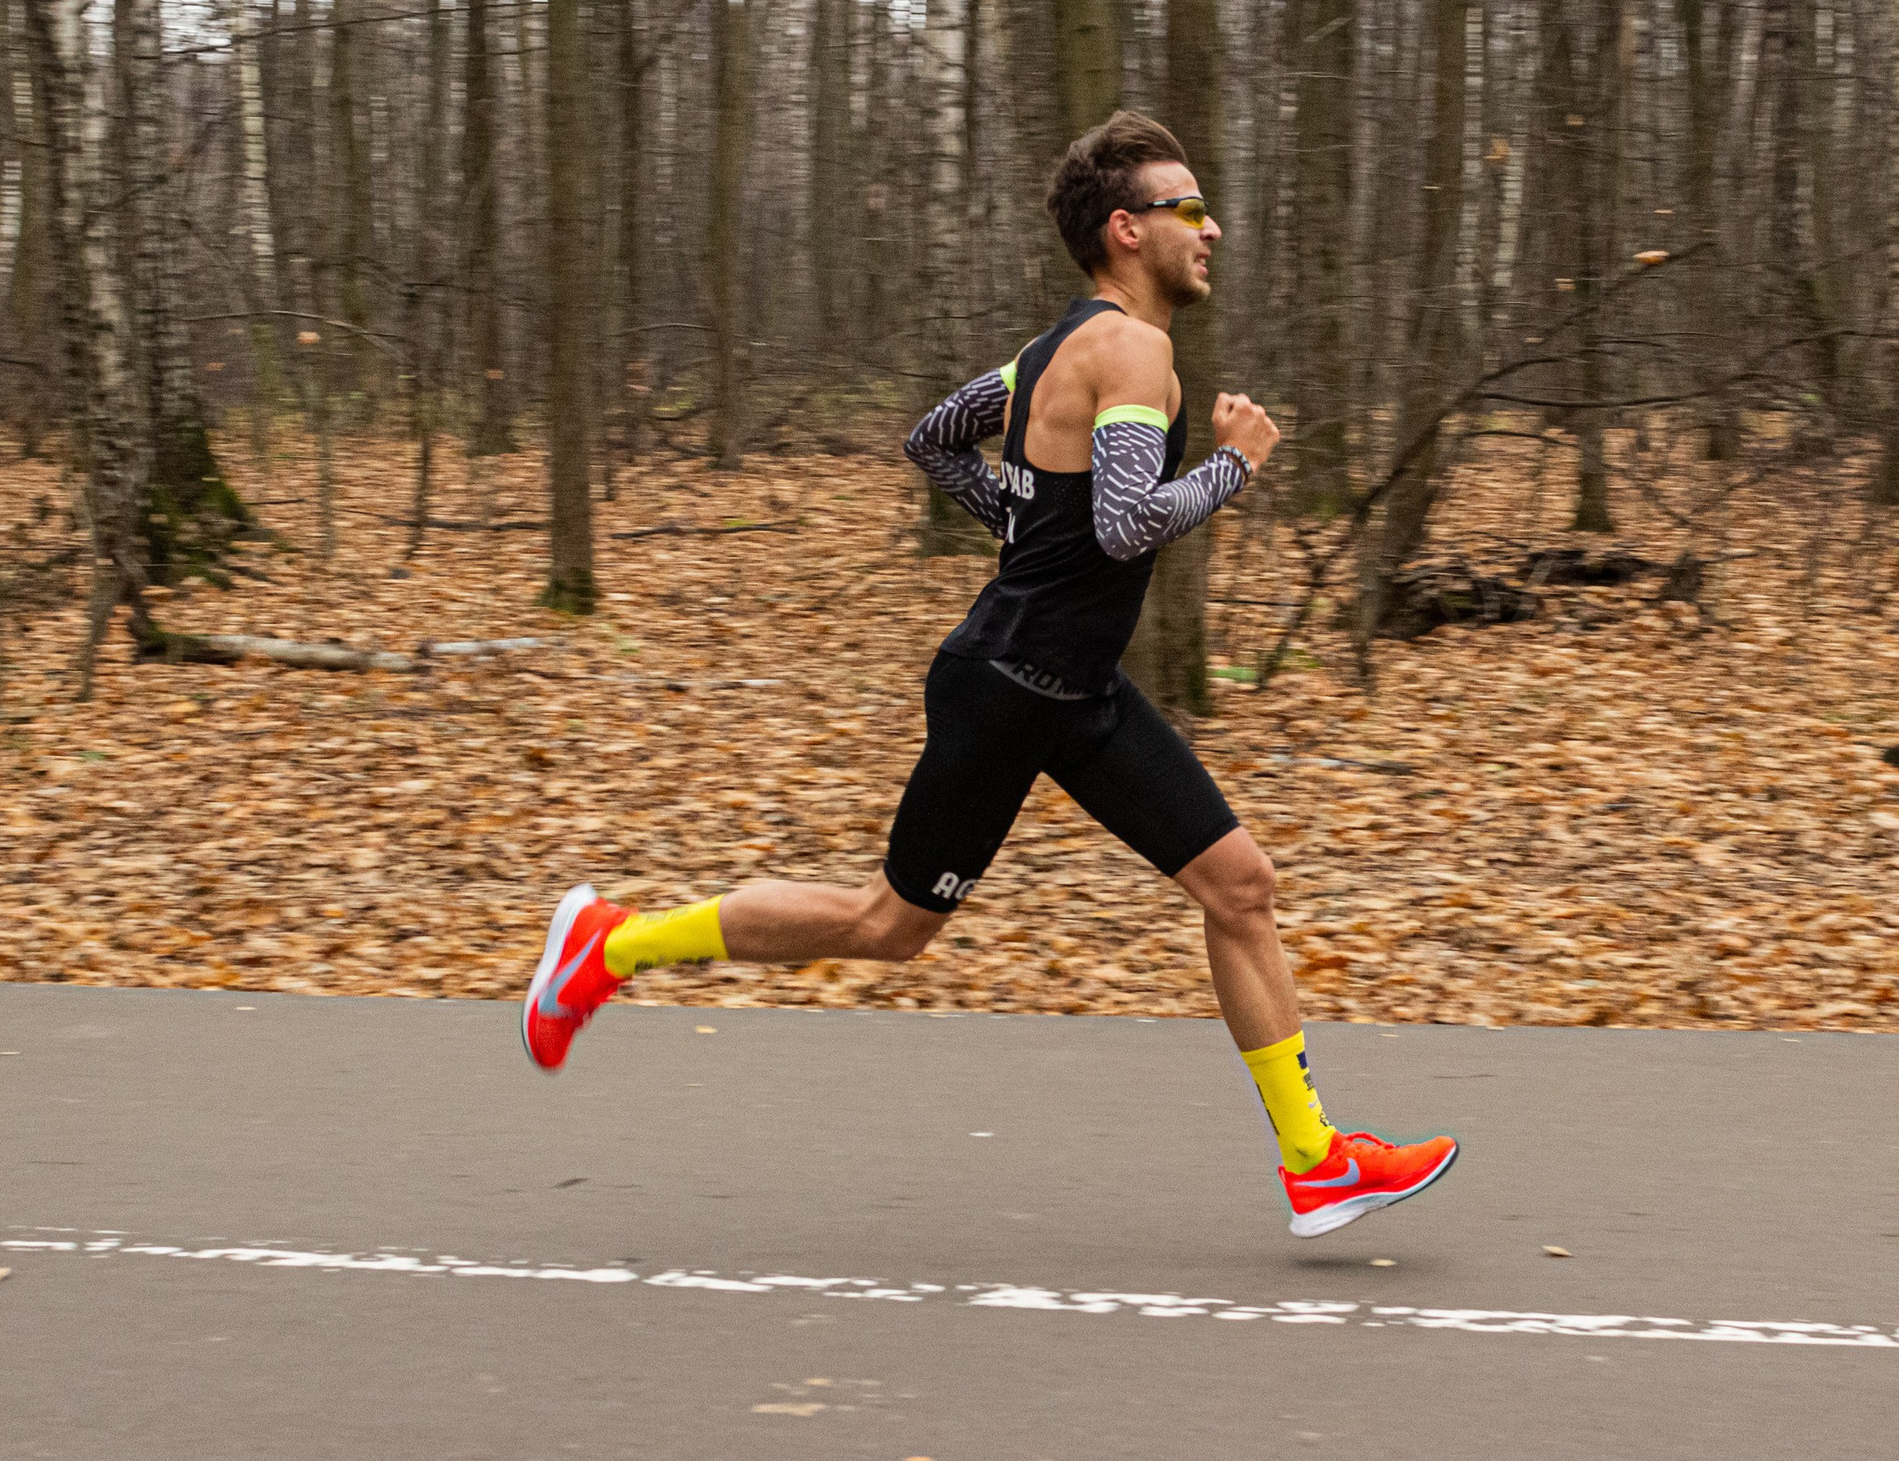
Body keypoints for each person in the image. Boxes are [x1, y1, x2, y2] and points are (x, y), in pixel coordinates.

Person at [520, 111, 1457, 1240]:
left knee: (1239, 885)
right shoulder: (1131, 350)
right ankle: (609, 945)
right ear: (1127, 229)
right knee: (888, 926)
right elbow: (1120, 527)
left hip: (1078, 689)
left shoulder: (1050, 352)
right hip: (1012, 688)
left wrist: (1023, 523)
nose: (1213, 230)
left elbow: (934, 441)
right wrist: (1232, 468)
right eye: (1190, 209)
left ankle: (1316, 1161)